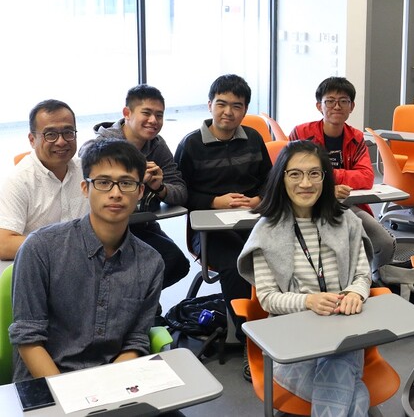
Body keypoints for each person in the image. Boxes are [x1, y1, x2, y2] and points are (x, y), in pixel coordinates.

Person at [9, 139, 164, 381]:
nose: (115, 193)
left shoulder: (150, 262)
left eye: (126, 183)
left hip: (112, 381)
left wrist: (106, 387)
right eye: (103, 183)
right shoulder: (40, 248)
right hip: (48, 383)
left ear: (140, 191)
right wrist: (73, 395)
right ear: (85, 188)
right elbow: (28, 339)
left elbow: (136, 341)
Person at [238, 140, 372, 416]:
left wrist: (356, 294)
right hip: (293, 345)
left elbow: (362, 274)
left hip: (344, 338)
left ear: (325, 178)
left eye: (314, 174)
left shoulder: (346, 221)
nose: (306, 183)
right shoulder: (267, 231)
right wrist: (308, 301)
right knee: (356, 398)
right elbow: (268, 298)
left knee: (339, 367)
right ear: (281, 179)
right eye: (295, 174)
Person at [174, 74, 272, 345]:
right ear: (209, 105)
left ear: (245, 110)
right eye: (221, 104)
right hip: (208, 231)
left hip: (251, 220)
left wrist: (259, 201)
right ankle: (249, 339)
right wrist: (213, 201)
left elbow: (270, 180)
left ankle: (278, 324)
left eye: (237, 106)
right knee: (235, 262)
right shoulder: (191, 144)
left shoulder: (253, 138)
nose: (228, 112)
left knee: (277, 252)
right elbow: (180, 193)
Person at [80, 84, 189, 289]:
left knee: (175, 263)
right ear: (127, 113)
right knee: (155, 263)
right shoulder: (103, 145)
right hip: (108, 228)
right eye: (146, 113)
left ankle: (136, 302)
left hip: (142, 224)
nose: (153, 121)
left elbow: (180, 192)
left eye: (159, 115)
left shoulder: (156, 145)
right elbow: (85, 159)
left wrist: (160, 187)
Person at [289, 76, 395, 280]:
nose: (336, 106)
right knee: (334, 251)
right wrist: (327, 187)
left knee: (384, 243)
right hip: (307, 208)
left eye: (343, 101)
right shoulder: (302, 133)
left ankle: (369, 279)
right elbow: (292, 176)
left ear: (352, 106)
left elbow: (365, 177)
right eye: (330, 101)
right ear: (319, 106)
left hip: (347, 206)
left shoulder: (355, 137)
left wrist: (320, 174)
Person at [0, 99, 88, 260]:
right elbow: (4, 244)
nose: (61, 141)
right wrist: (64, 247)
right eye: (51, 134)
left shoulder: (87, 171)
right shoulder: (18, 180)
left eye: (68, 132)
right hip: (39, 267)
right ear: (32, 140)